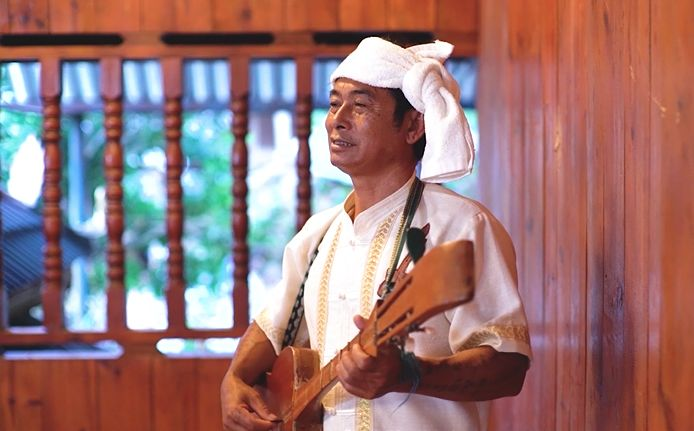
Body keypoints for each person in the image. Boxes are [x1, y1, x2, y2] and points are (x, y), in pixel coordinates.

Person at [221, 36, 531, 431]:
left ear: (413, 126)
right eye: (334, 103)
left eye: (361, 105)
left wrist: (409, 374)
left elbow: (508, 366)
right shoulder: (317, 234)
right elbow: (271, 325)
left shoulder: (463, 225)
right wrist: (233, 380)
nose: (337, 119)